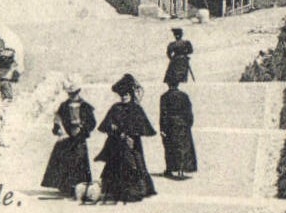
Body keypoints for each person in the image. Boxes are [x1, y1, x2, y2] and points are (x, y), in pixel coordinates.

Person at [94, 74, 156, 203]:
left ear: (131, 94)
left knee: (134, 164)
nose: (124, 97)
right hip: (116, 144)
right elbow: (106, 124)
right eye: (122, 94)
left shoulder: (136, 109)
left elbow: (142, 126)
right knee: (115, 165)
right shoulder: (115, 108)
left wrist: (131, 136)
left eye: (126, 94)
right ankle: (113, 191)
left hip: (132, 145)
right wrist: (112, 128)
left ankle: (135, 191)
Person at [41, 79, 97, 198]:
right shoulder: (64, 106)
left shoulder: (86, 106)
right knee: (64, 159)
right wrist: (58, 128)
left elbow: (92, 122)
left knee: (79, 160)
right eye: (70, 94)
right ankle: (64, 185)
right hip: (66, 137)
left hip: (79, 137)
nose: (72, 96)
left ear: (78, 92)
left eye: (74, 93)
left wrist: (82, 129)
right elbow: (57, 120)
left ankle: (79, 185)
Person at [158, 80, 197, 180]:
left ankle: (170, 169)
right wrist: (188, 123)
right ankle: (181, 170)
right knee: (183, 147)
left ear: (168, 84)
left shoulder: (164, 97)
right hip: (183, 125)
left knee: (169, 147)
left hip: (170, 125)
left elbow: (163, 114)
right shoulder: (184, 96)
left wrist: (162, 128)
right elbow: (189, 111)